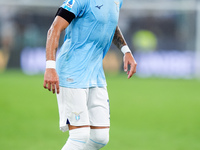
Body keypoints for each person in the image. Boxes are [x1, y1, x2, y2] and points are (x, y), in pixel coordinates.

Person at [43, 0, 137, 149]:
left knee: (100, 138)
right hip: (71, 70)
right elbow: (54, 29)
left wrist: (125, 50)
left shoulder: (117, 1)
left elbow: (109, 23)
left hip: (95, 74)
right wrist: (50, 66)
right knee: (79, 136)